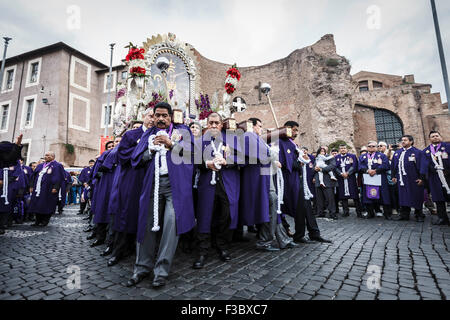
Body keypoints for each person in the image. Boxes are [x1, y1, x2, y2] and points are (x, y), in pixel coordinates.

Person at [127, 102, 195, 287]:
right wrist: (150, 150)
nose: (161, 119)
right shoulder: (148, 134)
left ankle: (161, 271)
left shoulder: (183, 133)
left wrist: (171, 144)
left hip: (175, 187)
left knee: (171, 226)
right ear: (153, 117)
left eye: (165, 115)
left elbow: (192, 155)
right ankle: (141, 268)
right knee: (146, 225)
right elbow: (136, 159)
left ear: (171, 117)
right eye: (157, 115)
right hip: (152, 186)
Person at [193, 112, 241, 269]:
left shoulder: (231, 141)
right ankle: (202, 250)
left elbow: (241, 159)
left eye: (216, 123)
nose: (213, 126)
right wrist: (207, 163)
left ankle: (222, 246)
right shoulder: (200, 141)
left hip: (225, 184)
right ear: (207, 124)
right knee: (204, 216)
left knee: (226, 215)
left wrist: (227, 161)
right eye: (211, 123)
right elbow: (193, 160)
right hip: (207, 184)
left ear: (221, 125)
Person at [107, 109, 153, 266]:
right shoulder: (131, 135)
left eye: (156, 116)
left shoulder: (160, 135)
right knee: (126, 213)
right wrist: (144, 151)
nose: (153, 119)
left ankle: (140, 251)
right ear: (143, 116)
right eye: (150, 116)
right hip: (132, 179)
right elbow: (122, 156)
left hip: (150, 179)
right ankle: (118, 250)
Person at [279, 121, 331, 244]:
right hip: (291, 181)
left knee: (307, 207)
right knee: (300, 208)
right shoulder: (281, 143)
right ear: (287, 129)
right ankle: (299, 235)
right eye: (294, 130)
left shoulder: (293, 144)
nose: (296, 133)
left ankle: (314, 233)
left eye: (297, 130)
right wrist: (300, 163)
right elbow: (286, 163)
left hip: (299, 180)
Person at [239, 118, 280, 252]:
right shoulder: (249, 136)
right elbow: (264, 155)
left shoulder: (258, 139)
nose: (261, 129)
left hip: (264, 177)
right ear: (252, 126)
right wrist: (272, 154)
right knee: (268, 206)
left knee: (270, 207)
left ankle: (273, 239)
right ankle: (265, 240)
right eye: (259, 126)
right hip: (258, 179)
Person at [391, 135, 425, 222]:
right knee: (403, 197)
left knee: (416, 195)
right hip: (401, 179)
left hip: (414, 178)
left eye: (405, 140)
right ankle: (404, 214)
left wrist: (421, 178)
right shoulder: (397, 152)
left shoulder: (417, 152)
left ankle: (419, 214)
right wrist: (393, 176)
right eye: (402, 140)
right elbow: (393, 165)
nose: (403, 142)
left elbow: (422, 166)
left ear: (411, 141)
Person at [420, 131, 450, 225]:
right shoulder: (426, 151)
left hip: (448, 176)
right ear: (430, 139)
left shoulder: (447, 146)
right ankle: (442, 218)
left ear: (440, 137)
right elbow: (424, 165)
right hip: (434, 178)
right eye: (433, 136)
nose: (435, 137)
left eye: (437, 136)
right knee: (438, 198)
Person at [29, 151, 65, 227]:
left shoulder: (57, 166)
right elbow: (34, 176)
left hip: (49, 189)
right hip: (38, 189)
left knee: (47, 204)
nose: (46, 156)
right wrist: (31, 186)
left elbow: (59, 178)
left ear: (53, 157)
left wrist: (56, 187)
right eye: (45, 155)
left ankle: (45, 221)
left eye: (48, 155)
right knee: (37, 204)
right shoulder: (40, 165)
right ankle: (37, 221)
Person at [359, 141, 392, 220]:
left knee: (384, 196)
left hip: (380, 178)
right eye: (369, 146)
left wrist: (376, 170)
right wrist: (367, 170)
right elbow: (360, 166)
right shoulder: (363, 157)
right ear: (367, 148)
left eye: (373, 146)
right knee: (367, 196)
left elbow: (386, 165)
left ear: (376, 147)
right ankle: (370, 213)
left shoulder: (382, 156)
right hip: (368, 179)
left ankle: (387, 213)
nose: (371, 148)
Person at [0, 135, 25, 234]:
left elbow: (16, 173)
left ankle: (3, 224)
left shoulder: (13, 162)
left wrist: (4, 181)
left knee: (5, 206)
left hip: (8, 186)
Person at [335, 144, 363, 218]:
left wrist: (348, 173)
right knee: (343, 196)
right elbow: (335, 167)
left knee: (355, 195)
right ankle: (345, 211)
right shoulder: (336, 157)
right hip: (341, 179)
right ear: (339, 150)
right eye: (341, 148)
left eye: (344, 148)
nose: (343, 149)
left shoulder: (352, 156)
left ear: (346, 149)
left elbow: (354, 166)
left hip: (350, 178)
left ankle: (359, 212)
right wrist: (341, 174)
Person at [314, 147, 338, 220]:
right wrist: (314, 169)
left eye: (324, 150)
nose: (322, 151)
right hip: (318, 181)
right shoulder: (317, 157)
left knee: (330, 198)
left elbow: (332, 166)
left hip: (328, 181)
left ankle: (332, 213)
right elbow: (314, 167)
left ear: (326, 150)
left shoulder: (330, 157)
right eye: (321, 150)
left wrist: (321, 169)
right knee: (319, 198)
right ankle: (320, 212)